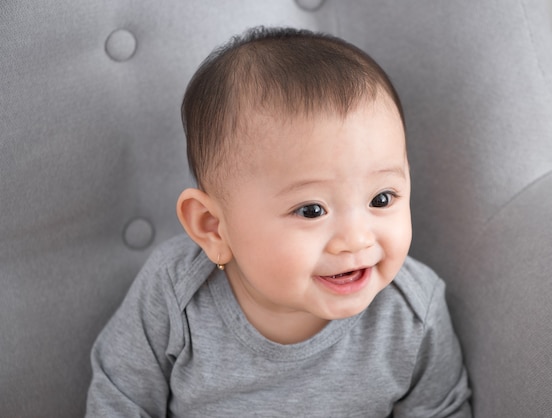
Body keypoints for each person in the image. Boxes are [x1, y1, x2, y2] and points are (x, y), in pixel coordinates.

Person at [86, 26, 471, 417]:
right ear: (213, 228)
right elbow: (120, 400)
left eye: (381, 199)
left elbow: (443, 410)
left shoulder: (412, 311)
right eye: (311, 210)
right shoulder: (175, 294)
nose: (356, 239)